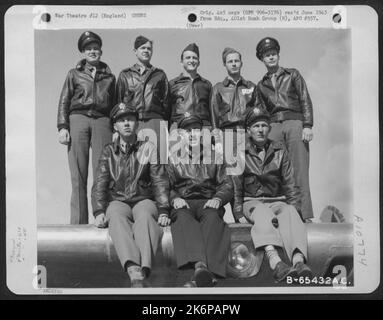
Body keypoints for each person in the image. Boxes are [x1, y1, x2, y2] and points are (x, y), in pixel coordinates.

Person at [91, 102, 171, 288]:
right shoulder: (108, 151)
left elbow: (159, 180)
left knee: (145, 217)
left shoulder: (148, 147)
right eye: (121, 120)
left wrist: (164, 210)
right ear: (115, 126)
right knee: (116, 217)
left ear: (137, 124)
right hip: (118, 200)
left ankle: (145, 267)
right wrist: (98, 211)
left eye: (130, 119)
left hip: (143, 199)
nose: (126, 123)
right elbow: (100, 183)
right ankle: (133, 268)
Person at [233, 106, 312, 283]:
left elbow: (290, 183)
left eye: (263, 125)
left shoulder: (280, 151)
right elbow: (235, 186)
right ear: (248, 130)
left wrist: (296, 210)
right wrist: (238, 213)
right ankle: (275, 262)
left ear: (269, 128)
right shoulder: (238, 153)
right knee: (262, 214)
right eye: (255, 126)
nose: (260, 130)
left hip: (277, 200)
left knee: (290, 213)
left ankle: (298, 262)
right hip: (251, 201)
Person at [167, 113, 233, 287]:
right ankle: (202, 268)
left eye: (196, 130)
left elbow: (226, 183)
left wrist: (218, 199)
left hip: (208, 201)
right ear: (181, 135)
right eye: (187, 131)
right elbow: (165, 186)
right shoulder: (173, 157)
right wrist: (174, 199)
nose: (192, 134)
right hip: (184, 202)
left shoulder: (215, 155)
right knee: (182, 218)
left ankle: (200, 273)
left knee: (213, 218)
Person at [57, 31, 116, 224]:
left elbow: (116, 105)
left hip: (102, 122)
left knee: (104, 172)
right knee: (78, 174)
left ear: (101, 51)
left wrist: (115, 130)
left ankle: (103, 217)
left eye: (96, 48)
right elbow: (64, 101)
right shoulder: (73, 74)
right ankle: (78, 223)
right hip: (78, 119)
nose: (93, 51)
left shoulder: (110, 77)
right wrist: (62, 126)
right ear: (84, 51)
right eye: (89, 49)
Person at [255, 37, 314, 221]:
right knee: (276, 169)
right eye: (267, 55)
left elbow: (305, 99)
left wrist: (308, 125)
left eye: (273, 53)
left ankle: (304, 214)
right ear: (262, 59)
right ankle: (284, 214)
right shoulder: (261, 84)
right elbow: (261, 112)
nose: (271, 57)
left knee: (299, 169)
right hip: (273, 126)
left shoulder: (292, 74)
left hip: (295, 122)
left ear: (278, 55)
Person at [116, 35, 170, 163]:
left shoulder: (160, 75)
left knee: (159, 161)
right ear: (135, 51)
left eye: (149, 49)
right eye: (142, 48)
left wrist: (164, 126)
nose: (146, 51)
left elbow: (167, 103)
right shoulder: (125, 75)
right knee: (133, 162)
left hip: (156, 122)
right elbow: (118, 103)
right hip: (134, 123)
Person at [169, 43, 212, 130]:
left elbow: (212, 110)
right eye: (188, 58)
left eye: (194, 58)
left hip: (203, 128)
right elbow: (166, 111)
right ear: (181, 62)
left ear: (199, 62)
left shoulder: (206, 84)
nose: (191, 60)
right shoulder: (172, 84)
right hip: (179, 127)